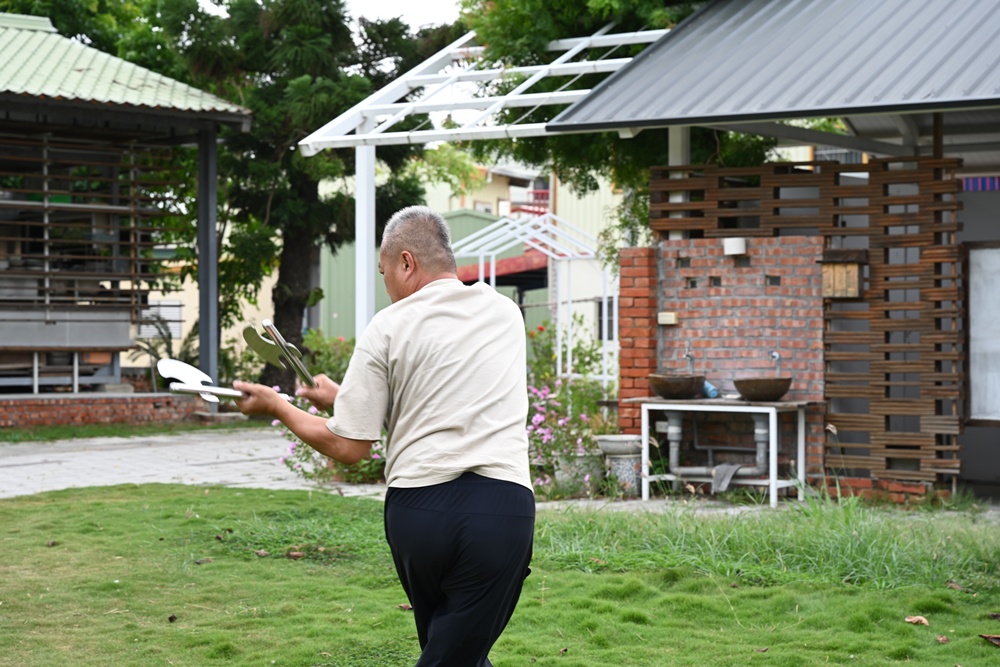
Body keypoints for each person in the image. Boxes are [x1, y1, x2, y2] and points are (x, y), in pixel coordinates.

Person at [233, 205, 535, 667]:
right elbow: (441, 401)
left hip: (420, 513)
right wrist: (344, 398)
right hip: (501, 509)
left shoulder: (388, 326)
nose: (387, 285)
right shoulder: (505, 314)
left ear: (407, 262)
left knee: (451, 651)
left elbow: (348, 447)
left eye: (384, 272)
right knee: (457, 649)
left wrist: (278, 406)